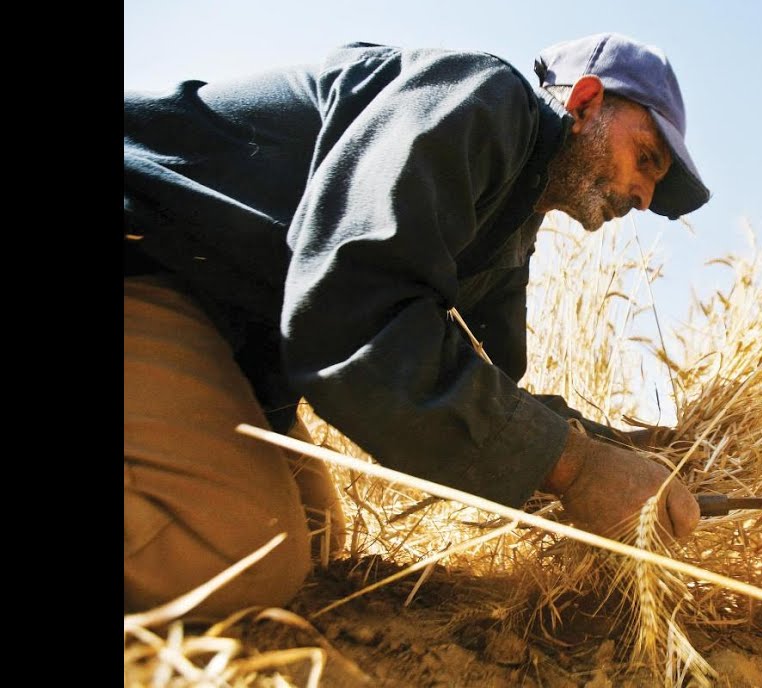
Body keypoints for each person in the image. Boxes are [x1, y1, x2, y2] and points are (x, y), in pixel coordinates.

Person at [124, 33, 710, 618]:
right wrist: (577, 468)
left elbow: (485, 382)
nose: (644, 196)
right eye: (648, 159)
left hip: (230, 344)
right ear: (584, 104)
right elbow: (355, 312)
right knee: (236, 555)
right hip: (151, 260)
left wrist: (613, 446)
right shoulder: (484, 100)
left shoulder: (509, 231)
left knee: (316, 536)